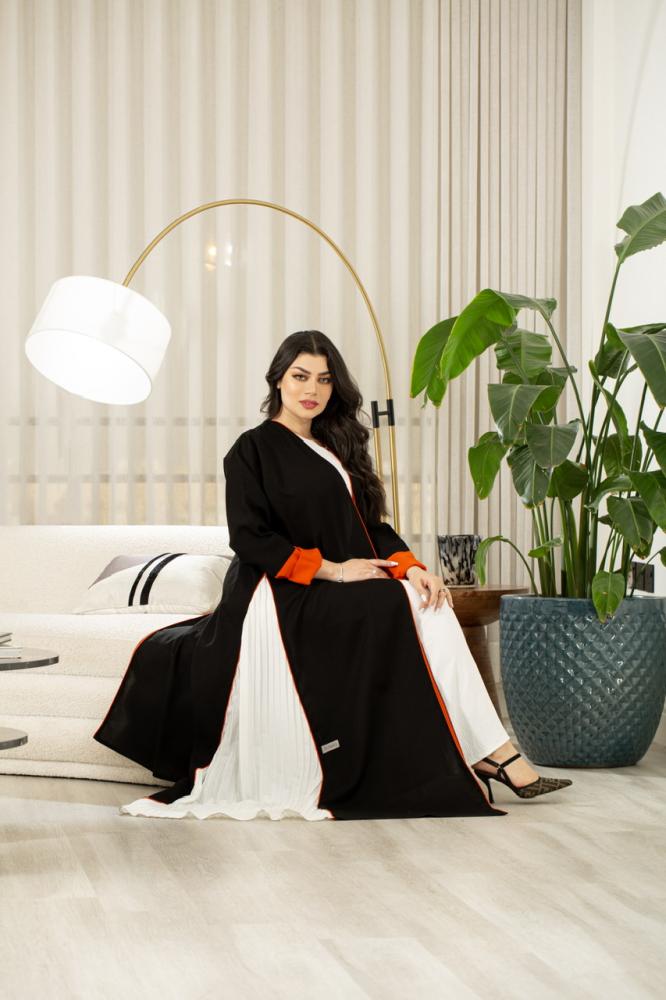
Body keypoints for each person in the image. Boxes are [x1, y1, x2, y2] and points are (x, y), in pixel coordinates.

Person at [94, 330, 572, 820]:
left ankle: (493, 752)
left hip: (334, 585)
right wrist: (336, 570)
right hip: (276, 591)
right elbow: (251, 538)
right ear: (278, 380)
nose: (312, 389)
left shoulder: (338, 446)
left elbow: (372, 526)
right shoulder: (251, 449)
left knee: (427, 600)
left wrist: (413, 569)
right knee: (398, 603)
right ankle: (494, 755)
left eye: (324, 379)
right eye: (300, 376)